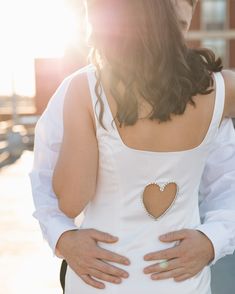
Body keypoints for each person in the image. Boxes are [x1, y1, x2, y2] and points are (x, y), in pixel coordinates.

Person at [29, 0, 235, 293]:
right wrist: (62, 237)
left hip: (102, 280)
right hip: (180, 283)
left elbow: (70, 200)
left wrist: (211, 241)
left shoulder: (86, 90)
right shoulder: (220, 90)